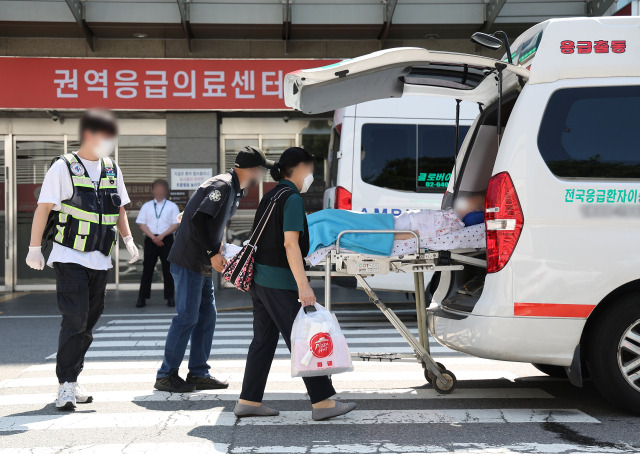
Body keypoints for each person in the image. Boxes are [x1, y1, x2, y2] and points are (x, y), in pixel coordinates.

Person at [25, 109, 139, 411]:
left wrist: (128, 240)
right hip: (69, 256)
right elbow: (43, 208)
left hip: (100, 259)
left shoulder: (112, 168)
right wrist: (34, 248)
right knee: (74, 319)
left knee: (88, 323)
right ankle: (64, 385)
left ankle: (73, 379)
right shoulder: (63, 167)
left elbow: (120, 209)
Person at [235, 147, 357, 421]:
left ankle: (249, 400)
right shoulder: (291, 199)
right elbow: (290, 244)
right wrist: (304, 286)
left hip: (260, 280)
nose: (311, 176)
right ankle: (323, 401)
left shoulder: (271, 195)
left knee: (263, 341)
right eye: (311, 170)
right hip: (279, 282)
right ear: (301, 167)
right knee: (302, 337)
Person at [154, 146, 271, 393]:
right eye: (260, 170)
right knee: (187, 317)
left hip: (200, 261)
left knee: (207, 316)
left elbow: (197, 214)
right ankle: (166, 375)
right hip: (190, 260)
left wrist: (219, 248)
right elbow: (199, 219)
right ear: (250, 169)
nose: (260, 175)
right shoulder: (224, 186)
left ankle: (198, 372)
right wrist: (213, 252)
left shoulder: (231, 187)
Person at [135, 179, 180, 308]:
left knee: (168, 270)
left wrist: (161, 236)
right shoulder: (146, 206)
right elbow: (141, 224)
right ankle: (142, 298)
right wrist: (153, 237)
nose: (160, 191)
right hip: (150, 239)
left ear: (166, 191)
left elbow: (176, 224)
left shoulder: (172, 206)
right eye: (157, 188)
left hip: (166, 240)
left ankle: (170, 297)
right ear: (153, 190)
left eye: (162, 188)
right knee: (147, 270)